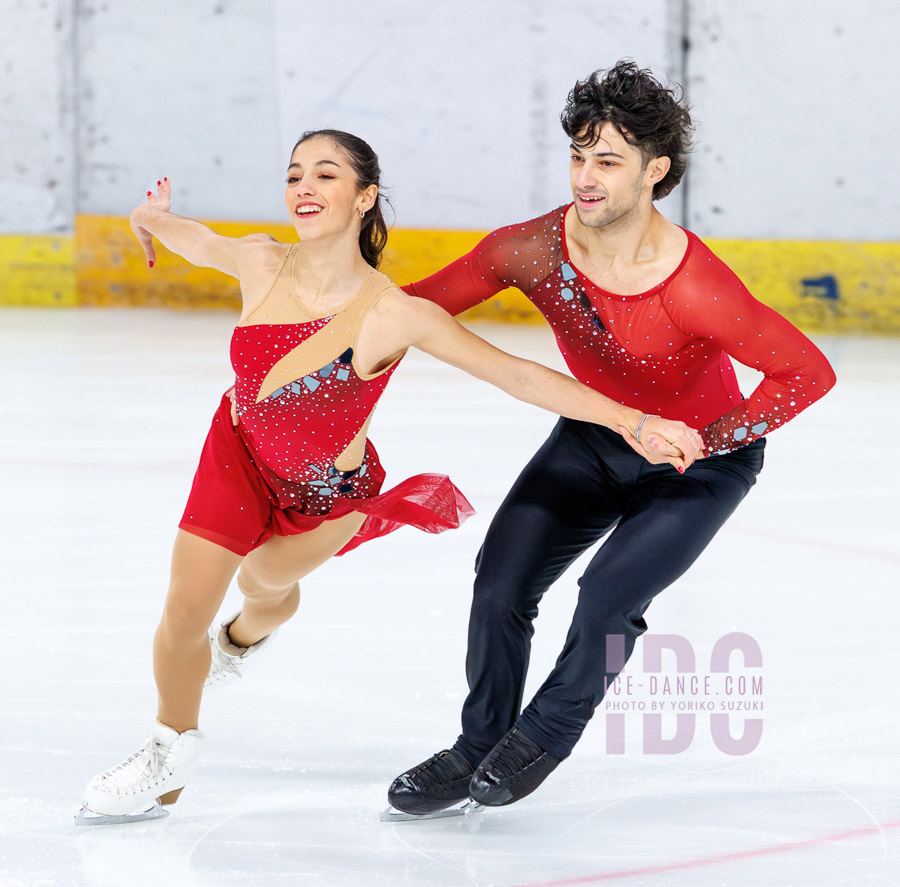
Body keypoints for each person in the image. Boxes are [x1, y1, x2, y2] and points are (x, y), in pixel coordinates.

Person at [75, 128, 700, 825]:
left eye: (326, 175)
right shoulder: (260, 260)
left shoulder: (395, 313)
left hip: (325, 496)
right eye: (294, 175)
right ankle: (168, 755)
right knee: (184, 606)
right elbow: (196, 239)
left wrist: (631, 420)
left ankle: (250, 632)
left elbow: (518, 374)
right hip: (238, 454)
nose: (304, 187)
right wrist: (152, 219)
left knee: (262, 582)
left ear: (365, 196)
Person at [386, 61, 837, 817]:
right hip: (595, 439)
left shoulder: (697, 286)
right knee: (499, 585)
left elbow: (806, 372)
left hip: (699, 468)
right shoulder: (533, 249)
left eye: (607, 160)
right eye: (578, 156)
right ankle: (476, 745)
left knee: (605, 598)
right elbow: (414, 309)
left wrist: (712, 435)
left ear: (654, 171)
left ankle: (546, 732)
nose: (585, 178)